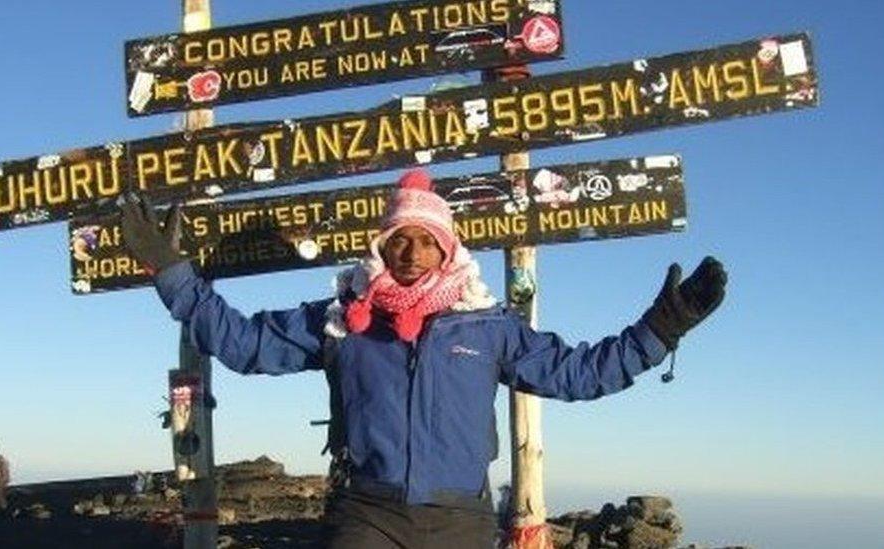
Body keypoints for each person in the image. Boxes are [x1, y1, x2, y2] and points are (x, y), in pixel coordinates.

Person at [120, 169, 727, 548]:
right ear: (381, 247)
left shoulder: (489, 327)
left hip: (459, 521)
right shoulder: (342, 320)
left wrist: (659, 330)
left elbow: (577, 373)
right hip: (367, 513)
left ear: (448, 249)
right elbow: (244, 343)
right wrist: (171, 274)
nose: (411, 252)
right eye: (398, 240)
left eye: (426, 241)